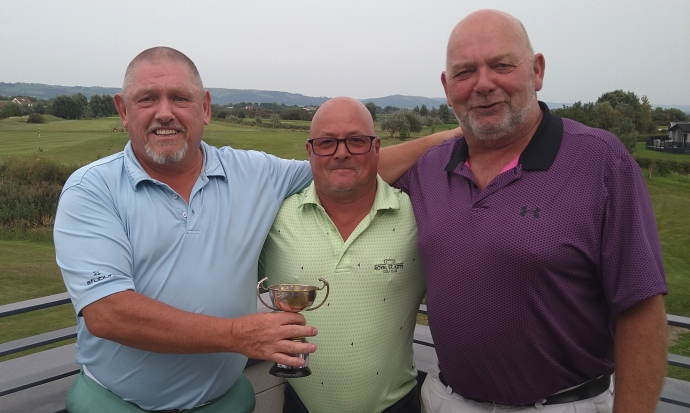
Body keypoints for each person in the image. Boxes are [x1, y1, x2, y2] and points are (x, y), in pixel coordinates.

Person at [54, 47, 455, 413]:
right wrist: (236, 335)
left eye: (179, 98)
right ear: (123, 110)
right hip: (118, 403)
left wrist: (457, 135)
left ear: (205, 107)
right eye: (147, 99)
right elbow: (108, 314)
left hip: (222, 401)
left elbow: (346, 169)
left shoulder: (253, 174)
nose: (165, 112)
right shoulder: (92, 189)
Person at [395, 10, 668, 413]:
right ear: (446, 86)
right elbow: (347, 174)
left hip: (561, 405)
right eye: (465, 72)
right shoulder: (429, 168)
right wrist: (439, 137)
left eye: (502, 66)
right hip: (446, 400)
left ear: (536, 71)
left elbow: (641, 309)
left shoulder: (600, 160)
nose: (484, 84)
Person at [260, 97, 425, 413]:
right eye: (326, 142)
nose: (341, 152)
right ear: (309, 151)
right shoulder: (274, 219)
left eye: (356, 140)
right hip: (300, 406)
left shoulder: (416, 215)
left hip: (395, 405)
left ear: (376, 147)